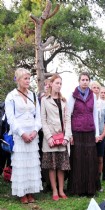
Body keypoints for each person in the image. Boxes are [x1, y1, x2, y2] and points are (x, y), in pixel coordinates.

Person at [5, 68, 43, 204]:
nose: (28, 81)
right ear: (18, 79)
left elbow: (38, 116)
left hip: (33, 134)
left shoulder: (33, 95)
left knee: (32, 163)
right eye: (25, 78)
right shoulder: (11, 96)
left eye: (29, 78)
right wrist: (22, 133)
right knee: (21, 164)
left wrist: (35, 131)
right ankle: (22, 193)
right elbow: (11, 119)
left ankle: (31, 191)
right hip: (19, 135)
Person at [67, 72, 100, 196]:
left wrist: (97, 133)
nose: (85, 82)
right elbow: (68, 115)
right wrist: (69, 134)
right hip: (77, 132)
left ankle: (90, 190)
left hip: (90, 131)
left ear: (89, 81)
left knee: (91, 161)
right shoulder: (73, 96)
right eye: (83, 79)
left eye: (87, 80)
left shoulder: (93, 96)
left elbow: (95, 114)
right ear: (79, 81)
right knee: (78, 160)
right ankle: (78, 189)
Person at [40, 74, 71, 201]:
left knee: (61, 166)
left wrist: (67, 137)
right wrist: (49, 137)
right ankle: (54, 190)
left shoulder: (64, 101)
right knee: (52, 167)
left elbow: (68, 119)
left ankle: (61, 190)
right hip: (51, 139)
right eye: (57, 83)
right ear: (51, 84)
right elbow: (43, 120)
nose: (59, 85)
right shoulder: (44, 100)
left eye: (60, 83)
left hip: (62, 138)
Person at [90, 81, 105, 190]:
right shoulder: (88, 102)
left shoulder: (103, 104)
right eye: (94, 87)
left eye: (98, 88)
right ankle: (90, 181)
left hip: (101, 136)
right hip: (90, 136)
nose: (96, 89)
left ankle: (98, 182)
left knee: (100, 159)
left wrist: (102, 134)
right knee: (90, 160)